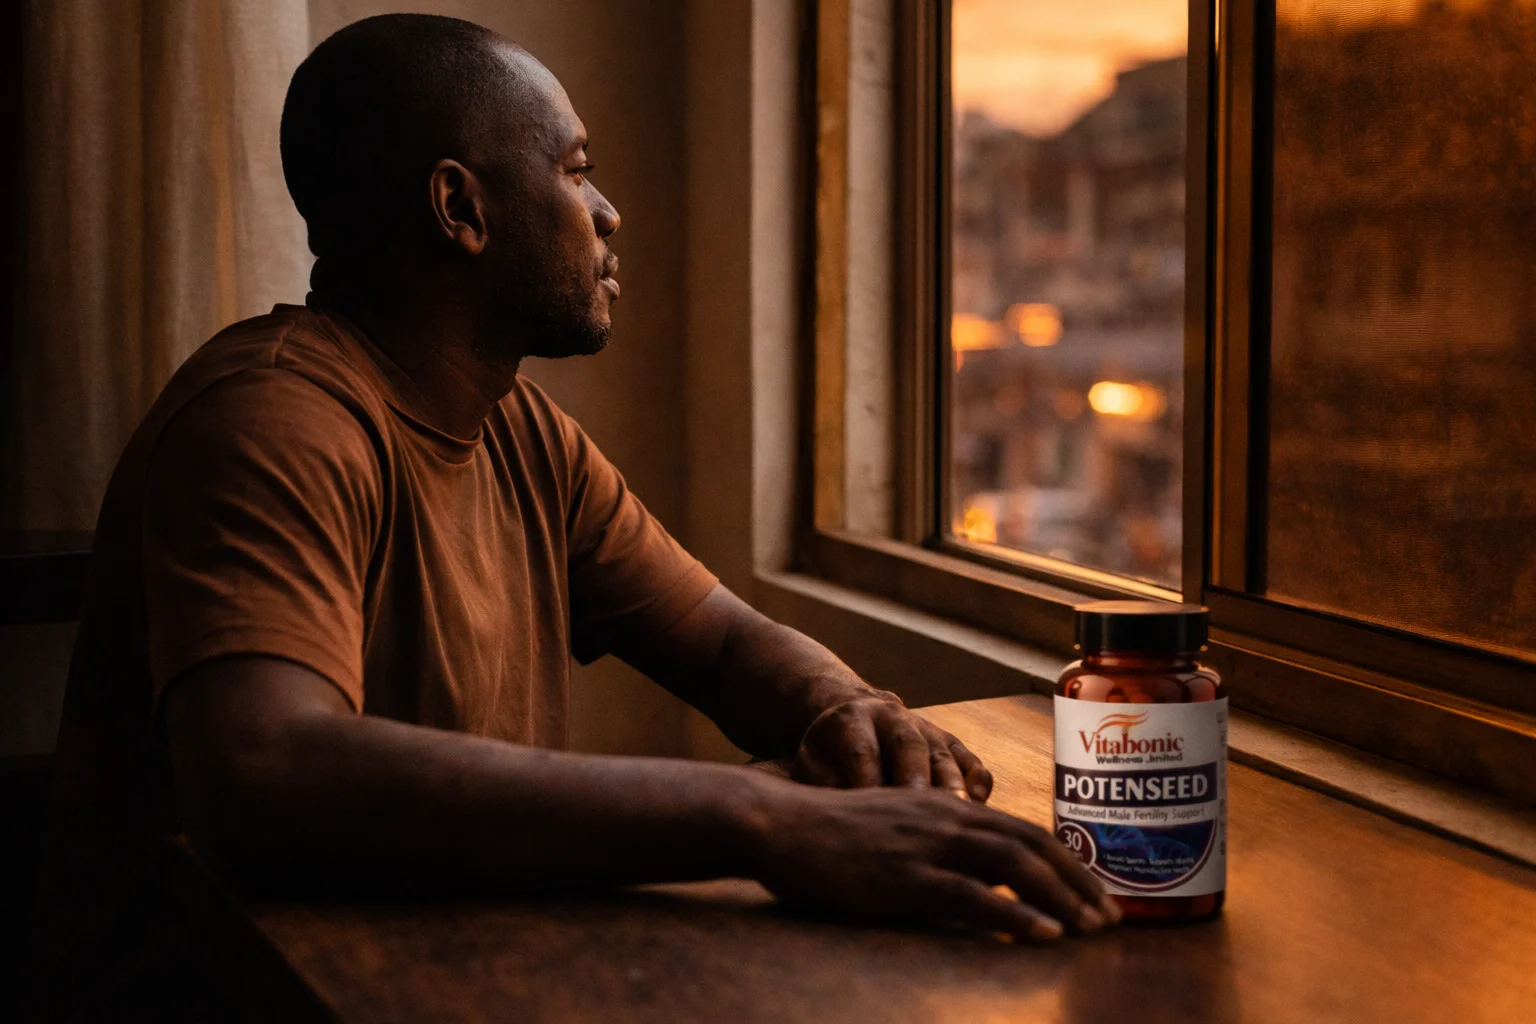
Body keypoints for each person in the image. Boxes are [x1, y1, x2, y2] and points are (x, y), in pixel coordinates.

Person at [42, 13, 1116, 958]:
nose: (608, 213)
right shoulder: (272, 421)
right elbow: (266, 774)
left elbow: (722, 642)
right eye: (574, 170)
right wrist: (764, 819)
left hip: (446, 956)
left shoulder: (522, 431)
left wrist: (851, 711)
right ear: (460, 208)